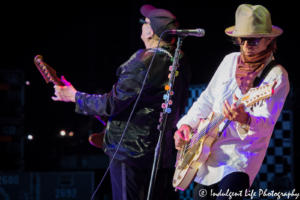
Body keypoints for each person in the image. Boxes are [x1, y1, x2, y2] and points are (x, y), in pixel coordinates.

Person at [52, 4, 191, 200]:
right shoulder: (180, 61)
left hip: (130, 152)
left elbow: (112, 104)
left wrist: (74, 96)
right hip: (160, 154)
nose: (142, 25)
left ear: (150, 31)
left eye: (145, 23)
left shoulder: (142, 62)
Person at [174, 4, 289, 200]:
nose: (245, 46)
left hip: (239, 159)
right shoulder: (230, 60)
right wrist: (186, 125)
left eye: (253, 40)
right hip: (207, 155)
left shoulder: (276, 75)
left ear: (269, 39)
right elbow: (207, 99)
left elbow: (267, 124)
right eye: (241, 40)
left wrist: (245, 119)